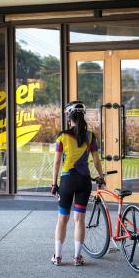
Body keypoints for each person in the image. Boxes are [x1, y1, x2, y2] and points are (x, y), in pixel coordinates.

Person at [51, 101, 104, 266]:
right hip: (84, 181)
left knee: (62, 219)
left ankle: (58, 257)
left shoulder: (62, 136)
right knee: (79, 220)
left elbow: (57, 162)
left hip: (67, 181)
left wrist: (54, 183)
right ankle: (76, 257)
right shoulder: (90, 136)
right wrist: (101, 177)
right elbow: (96, 160)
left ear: (69, 117)